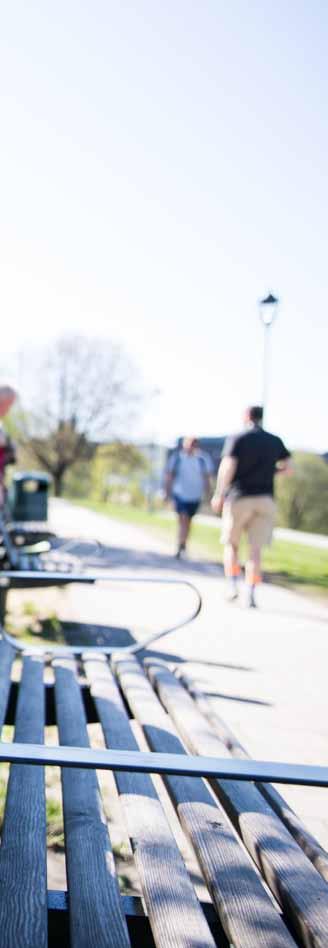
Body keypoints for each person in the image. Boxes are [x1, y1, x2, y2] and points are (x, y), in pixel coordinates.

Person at [211, 406, 291, 607]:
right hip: (265, 499)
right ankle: (252, 593)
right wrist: (271, 472)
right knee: (255, 551)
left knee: (232, 545)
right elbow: (288, 467)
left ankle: (232, 586)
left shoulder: (238, 438)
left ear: (246, 417)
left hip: (240, 497)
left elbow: (228, 466)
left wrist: (219, 493)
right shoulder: (275, 441)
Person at [164, 437, 213, 557]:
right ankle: (180, 544)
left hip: (195, 495)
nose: (191, 447)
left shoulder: (202, 459)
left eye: (194, 444)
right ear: (184, 445)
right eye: (189, 444)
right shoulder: (177, 458)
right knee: (183, 518)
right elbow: (169, 476)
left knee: (188, 521)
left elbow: (207, 478)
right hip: (180, 493)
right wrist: (167, 492)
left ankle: (183, 543)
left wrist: (208, 494)